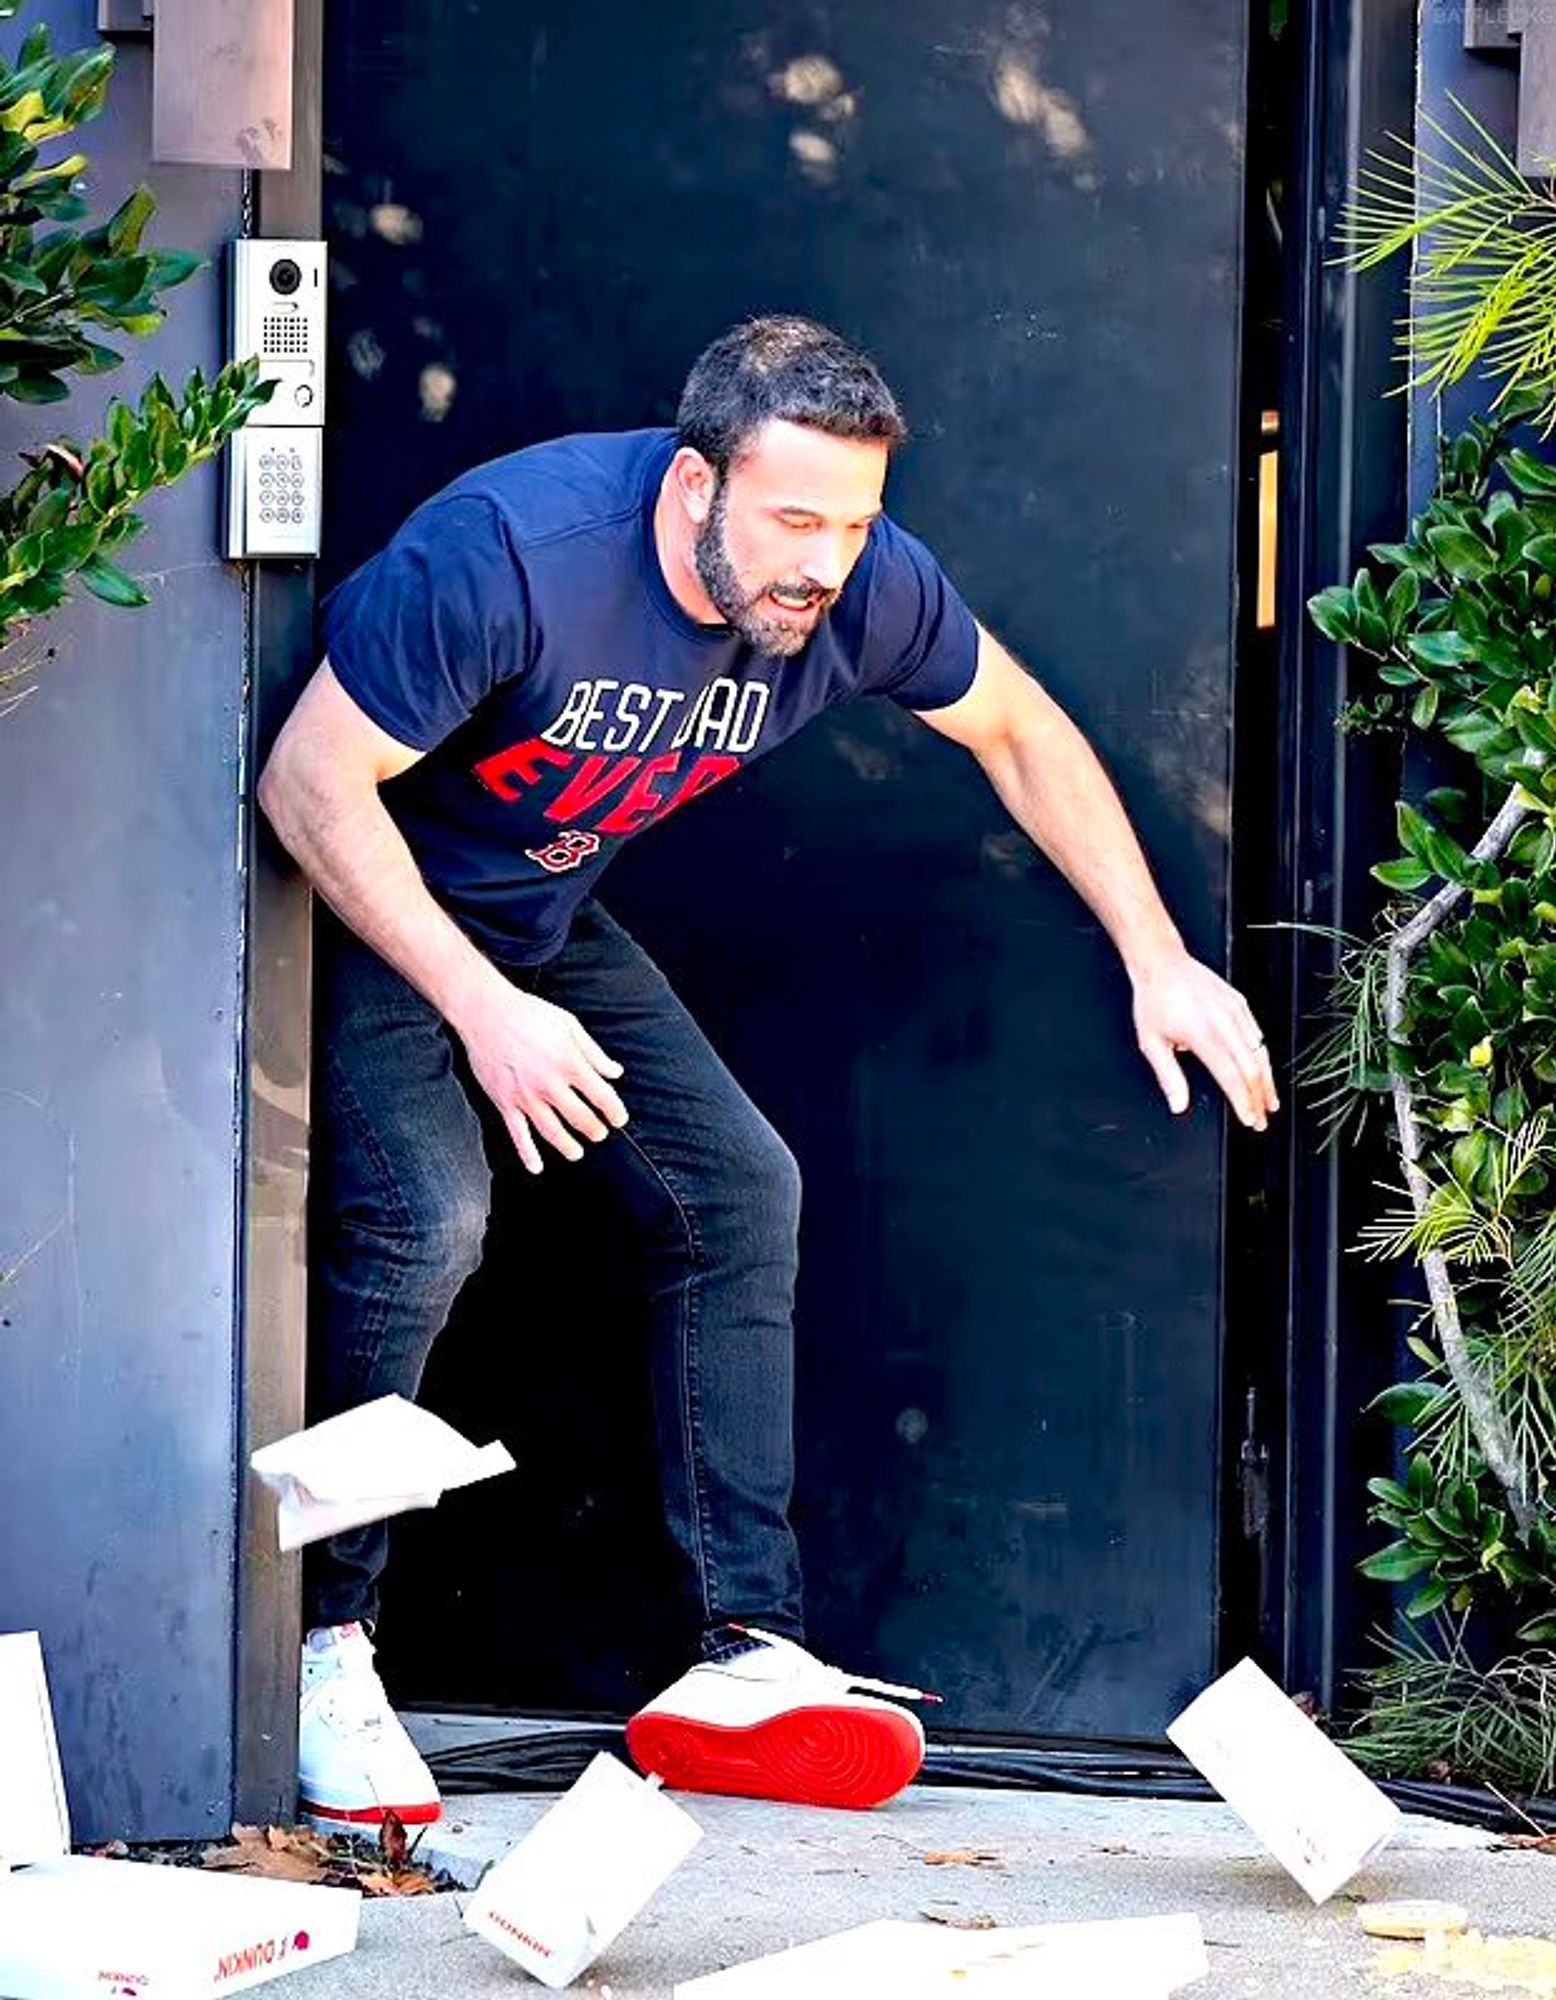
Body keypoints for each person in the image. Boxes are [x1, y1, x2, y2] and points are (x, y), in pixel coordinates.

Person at [259, 315, 1278, 1829]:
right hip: (360, 902)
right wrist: (479, 1007)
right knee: (431, 1218)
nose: (824, 562)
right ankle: (317, 1644)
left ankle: (744, 1650)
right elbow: (307, 782)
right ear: (690, 489)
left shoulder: (862, 590)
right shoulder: (511, 553)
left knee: (738, 1191)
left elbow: (1018, 729)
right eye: (792, 519)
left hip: (535, 908)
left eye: (854, 525)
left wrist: (1155, 954)